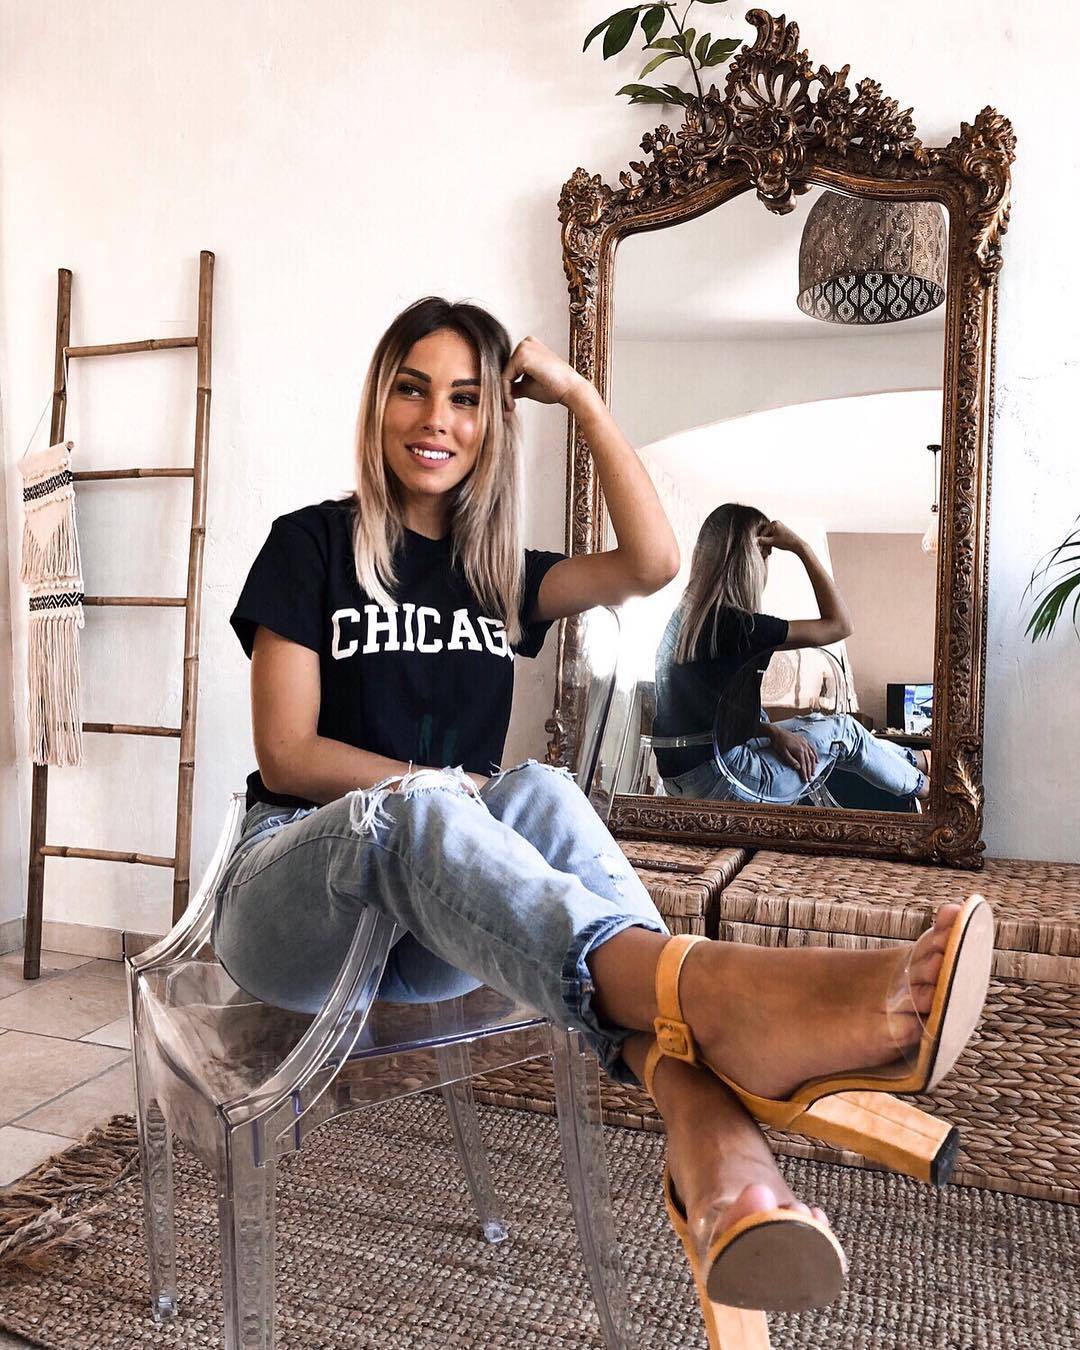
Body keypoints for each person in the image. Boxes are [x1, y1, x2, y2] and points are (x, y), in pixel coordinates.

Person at [211, 299, 989, 1336]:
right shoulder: (309, 545)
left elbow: (654, 563)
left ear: (494, 422)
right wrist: (440, 789)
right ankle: (721, 1010)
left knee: (542, 791)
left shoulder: (498, 576)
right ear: (377, 402)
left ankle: (715, 1145)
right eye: (412, 389)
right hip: (295, 905)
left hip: (432, 933)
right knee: (424, 799)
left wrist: (577, 393)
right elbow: (290, 754)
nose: (436, 419)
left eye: (467, 398)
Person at [654, 503, 932, 807]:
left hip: (680, 781)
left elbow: (708, 722)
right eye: (766, 555)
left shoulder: (683, 624)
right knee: (845, 731)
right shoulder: (743, 628)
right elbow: (840, 624)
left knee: (816, 723)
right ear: (752, 559)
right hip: (727, 782)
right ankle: (928, 789)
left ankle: (917, 760)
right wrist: (801, 548)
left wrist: (772, 732)